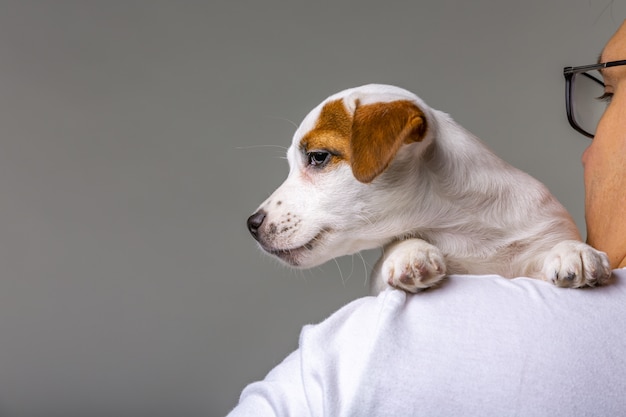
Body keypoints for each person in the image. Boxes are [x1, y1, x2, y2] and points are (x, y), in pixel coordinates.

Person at [227, 21, 626, 417]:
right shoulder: (409, 244)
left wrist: (565, 249)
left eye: (317, 160)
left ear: (399, 141)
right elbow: (389, 285)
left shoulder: (535, 213)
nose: (268, 211)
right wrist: (402, 252)